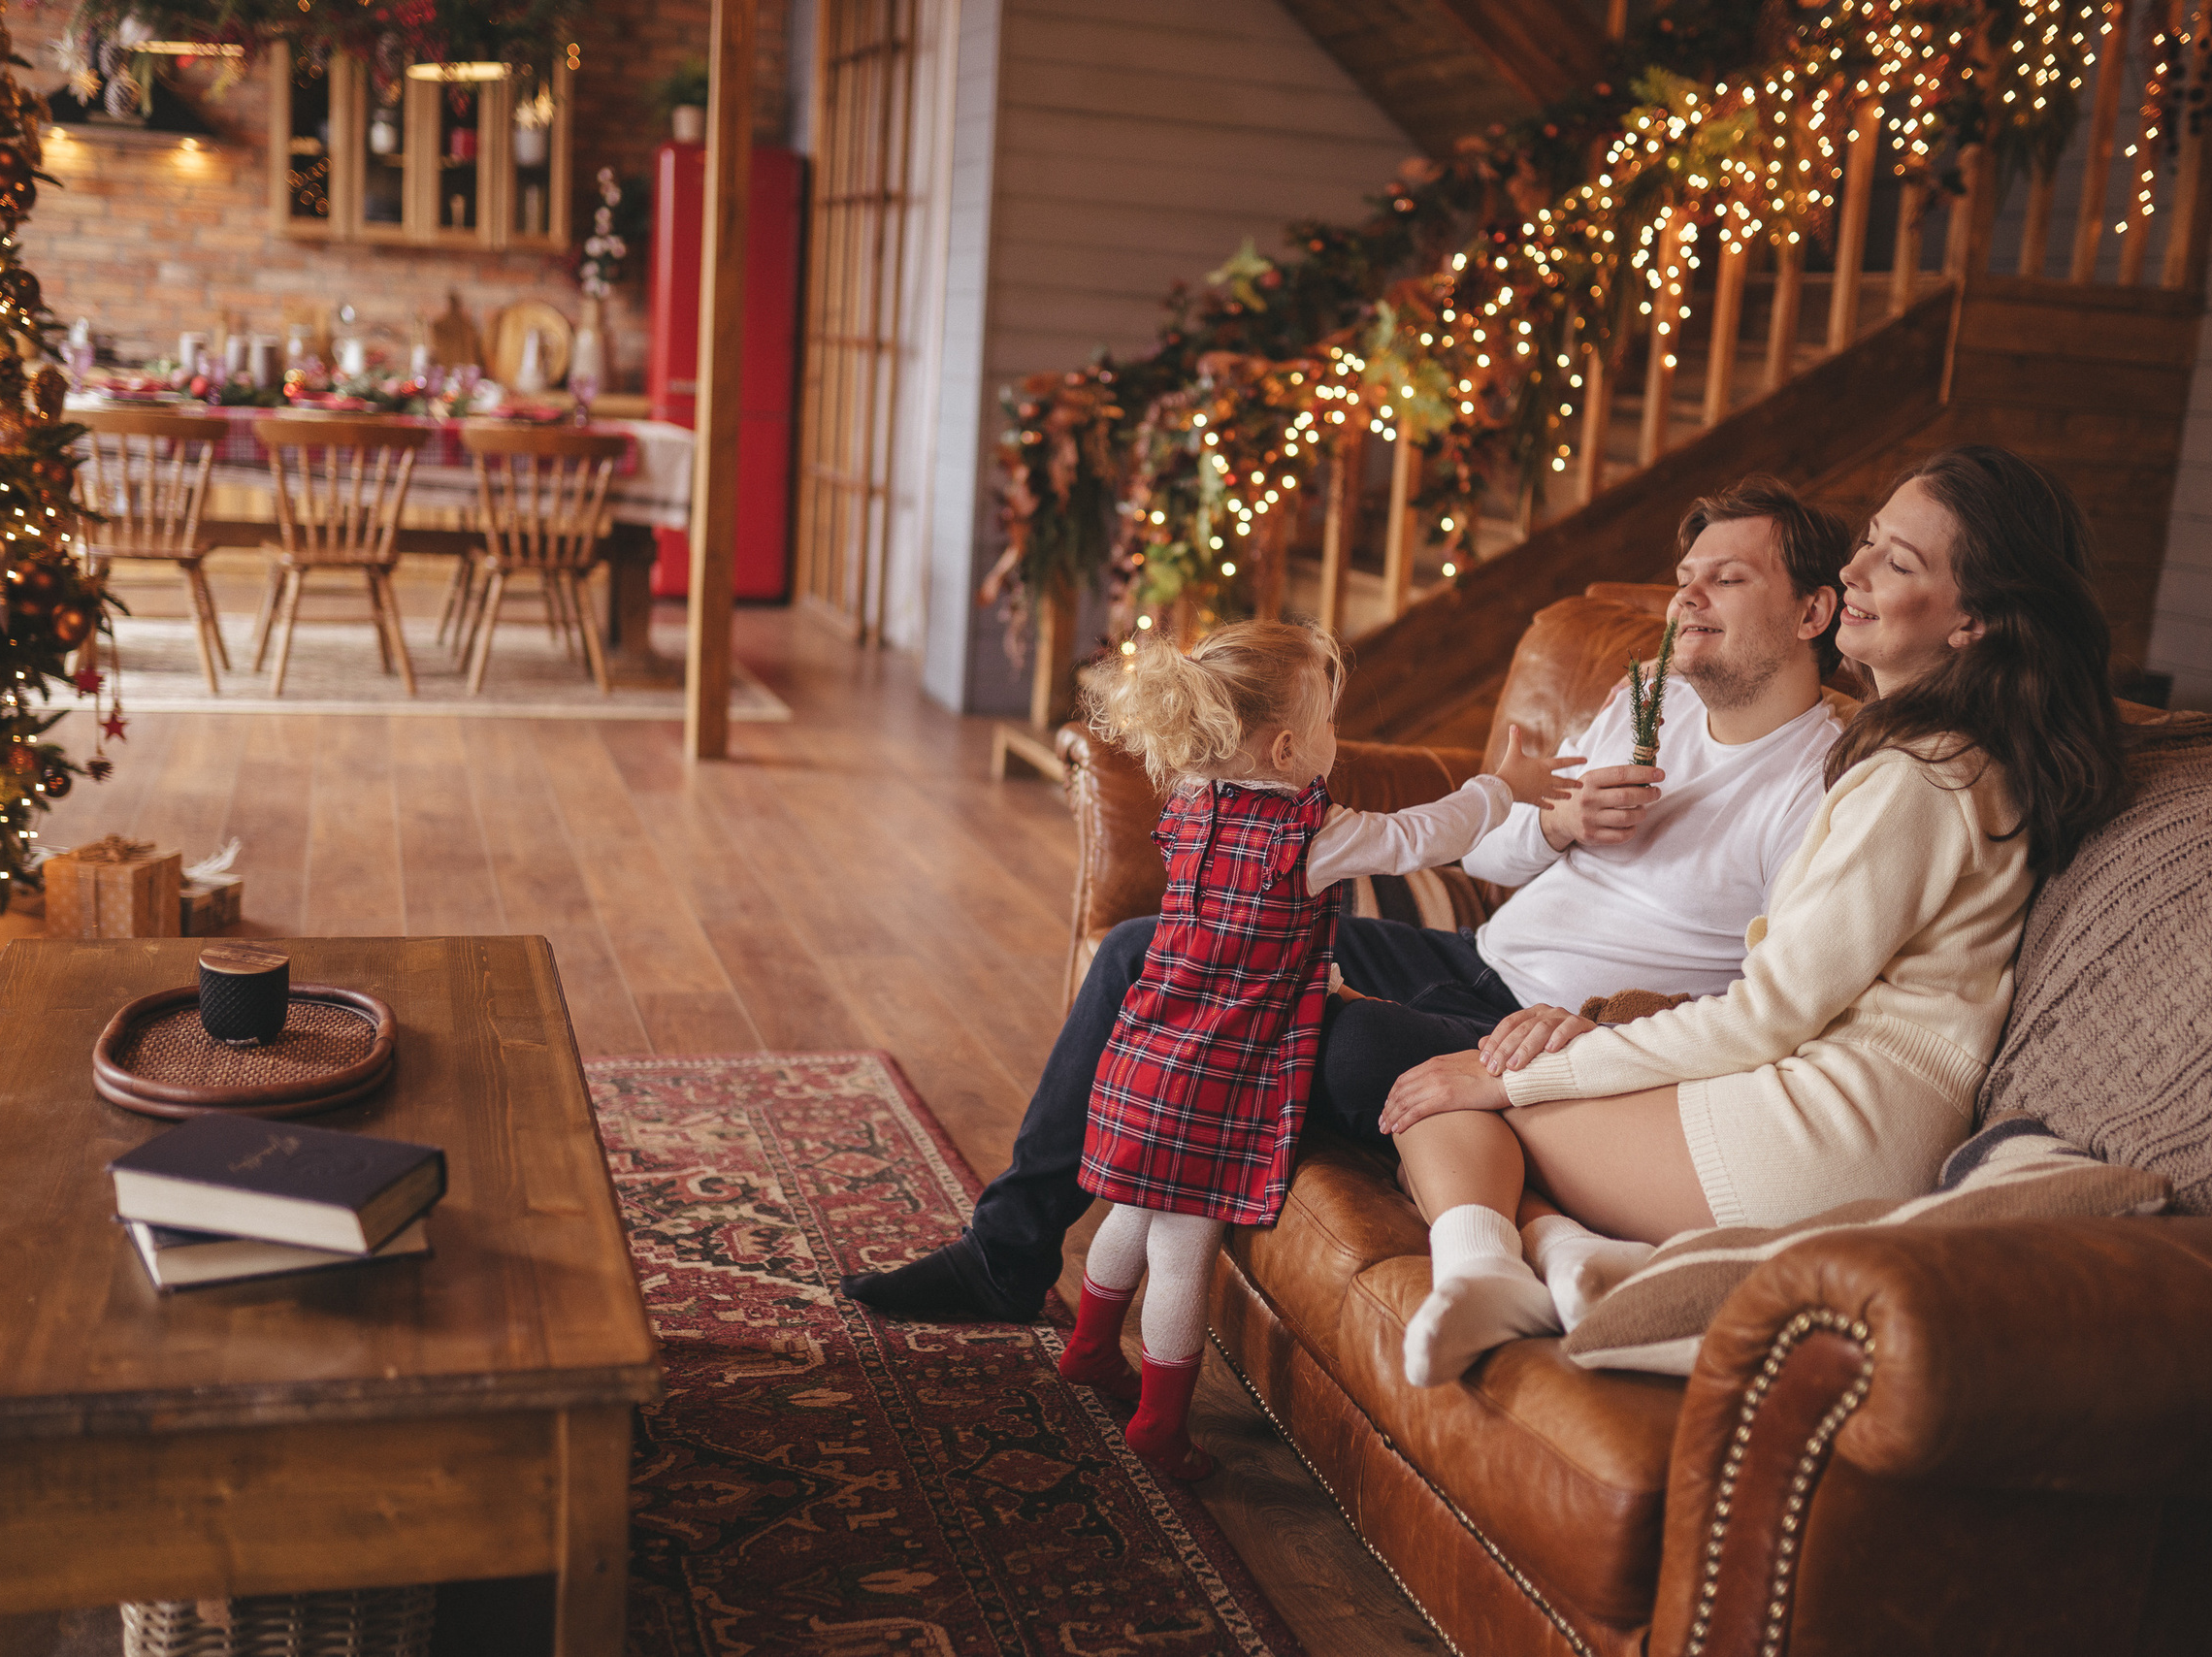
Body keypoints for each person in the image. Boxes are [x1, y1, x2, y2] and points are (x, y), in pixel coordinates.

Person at [842, 476, 1853, 1326]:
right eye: (1685, 579)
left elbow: (1770, 999)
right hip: (1476, 956)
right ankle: (1004, 1257)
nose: (1687, 601)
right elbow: (1494, 856)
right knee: (1141, 953)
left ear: (1812, 612)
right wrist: (1557, 824)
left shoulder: (1830, 782)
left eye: (1729, 579)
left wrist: (1594, 1031)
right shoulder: (1651, 696)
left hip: (1549, 1033)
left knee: (1335, 1044)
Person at [1382, 444, 2131, 1388]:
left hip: (1829, 1128)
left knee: (1446, 1096)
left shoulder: (1919, 775)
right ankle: (1566, 1259)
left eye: (1895, 563)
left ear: (1972, 619)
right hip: (1836, 1101)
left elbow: (1767, 1010)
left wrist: (1533, 1076)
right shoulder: (1941, 757)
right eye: (1865, 545)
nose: (1854, 570)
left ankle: (1489, 1268)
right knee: (1479, 1088)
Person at [1053, 618, 1580, 1478]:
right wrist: (1501, 786)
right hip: (1218, 1070)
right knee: (1186, 1247)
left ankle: (1088, 1345)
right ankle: (1158, 1419)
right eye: (1331, 724)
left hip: (1152, 1045)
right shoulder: (1313, 837)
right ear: (1292, 747)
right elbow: (1425, 837)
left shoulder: (1193, 801)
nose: (1337, 742)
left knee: (1130, 1210)